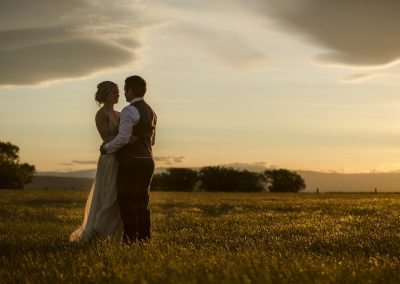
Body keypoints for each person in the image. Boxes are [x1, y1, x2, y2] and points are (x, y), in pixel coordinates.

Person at [101, 75, 157, 243]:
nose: (124, 93)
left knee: (128, 201)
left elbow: (123, 138)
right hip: (148, 160)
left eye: (125, 89)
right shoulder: (152, 111)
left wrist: (106, 148)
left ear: (130, 91)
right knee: (142, 200)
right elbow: (152, 140)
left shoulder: (129, 110)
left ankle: (130, 239)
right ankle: (144, 239)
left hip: (131, 160)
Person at [70, 81, 123, 243]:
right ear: (106, 95)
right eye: (114, 92)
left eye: (118, 91)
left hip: (122, 158)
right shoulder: (101, 114)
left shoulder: (120, 114)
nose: (118, 94)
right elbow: (106, 138)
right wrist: (127, 138)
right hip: (109, 158)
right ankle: (96, 234)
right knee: (109, 195)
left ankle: (115, 237)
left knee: (119, 198)